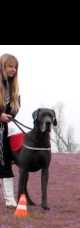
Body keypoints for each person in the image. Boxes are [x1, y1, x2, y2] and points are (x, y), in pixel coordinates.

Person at [0, 54, 21, 208]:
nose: (13, 69)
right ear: (2, 66)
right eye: (10, 66)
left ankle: (9, 200)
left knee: (5, 163)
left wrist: (11, 114)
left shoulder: (12, 88)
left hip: (3, 131)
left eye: (15, 67)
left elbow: (16, 106)